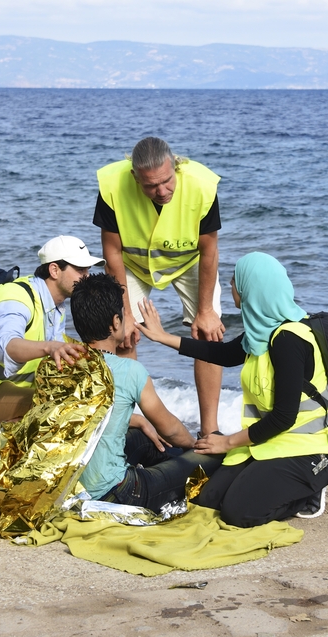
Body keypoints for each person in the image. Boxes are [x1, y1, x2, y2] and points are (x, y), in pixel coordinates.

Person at [136, 252, 328, 528]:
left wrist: (227, 442)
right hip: (271, 443)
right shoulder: (261, 333)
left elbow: (284, 417)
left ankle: (307, 495)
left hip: (311, 450)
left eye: (235, 279)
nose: (231, 284)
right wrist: (163, 337)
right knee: (206, 499)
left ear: (252, 288)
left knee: (239, 513)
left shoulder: (289, 340)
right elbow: (223, 353)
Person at [94, 136, 225, 436]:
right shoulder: (112, 185)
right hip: (133, 264)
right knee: (121, 333)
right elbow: (112, 253)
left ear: (175, 168)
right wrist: (125, 314)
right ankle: (123, 425)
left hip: (188, 261)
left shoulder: (202, 185)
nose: (161, 191)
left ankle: (210, 433)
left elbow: (209, 252)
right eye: (151, 185)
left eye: (167, 181)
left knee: (209, 332)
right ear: (134, 177)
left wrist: (205, 310)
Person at [70, 273, 223, 512]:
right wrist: (195, 445)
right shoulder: (129, 370)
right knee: (210, 457)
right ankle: (188, 475)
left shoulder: (63, 362)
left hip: (73, 486)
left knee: (144, 436)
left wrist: (140, 421)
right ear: (115, 323)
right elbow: (170, 429)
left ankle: (172, 465)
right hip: (118, 493)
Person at [0, 236, 103, 434]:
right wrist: (50, 347)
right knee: (59, 408)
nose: (87, 277)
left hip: (3, 391)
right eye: (80, 270)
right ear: (55, 270)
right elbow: (6, 347)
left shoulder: (56, 306)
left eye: (88, 270)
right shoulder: (16, 297)